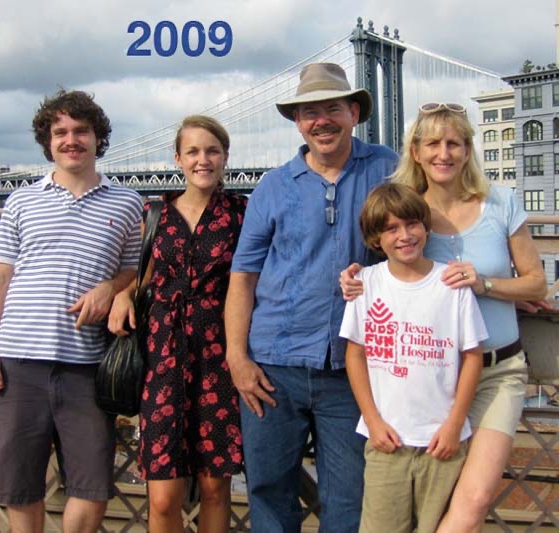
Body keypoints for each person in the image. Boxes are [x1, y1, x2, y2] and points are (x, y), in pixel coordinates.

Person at [341, 103, 547, 532]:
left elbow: (535, 284)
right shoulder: (407, 212)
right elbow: (380, 269)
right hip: (427, 382)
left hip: (494, 372)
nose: (444, 153)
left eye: (455, 143)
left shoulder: (501, 202)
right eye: (432, 142)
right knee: (425, 510)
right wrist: (351, 279)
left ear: (468, 149)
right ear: (415, 151)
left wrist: (486, 284)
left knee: (469, 505)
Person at [224, 62, 398, 532]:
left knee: (349, 498)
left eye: (332, 108)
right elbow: (243, 276)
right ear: (298, 122)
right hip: (273, 366)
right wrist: (237, 358)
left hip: (354, 367)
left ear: (354, 112)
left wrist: (495, 282)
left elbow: (432, 230)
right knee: (268, 490)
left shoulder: (389, 169)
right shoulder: (273, 186)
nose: (321, 120)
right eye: (308, 112)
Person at [0, 89, 143, 533]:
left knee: (91, 489)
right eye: (61, 132)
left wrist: (112, 288)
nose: (71, 140)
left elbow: (132, 270)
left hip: (87, 366)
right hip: (17, 362)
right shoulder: (21, 201)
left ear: (97, 138)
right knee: (18, 487)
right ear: (48, 141)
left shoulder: (127, 203)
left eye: (81, 131)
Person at [108, 115, 246, 533]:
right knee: (163, 497)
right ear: (178, 158)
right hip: (162, 359)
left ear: (224, 157)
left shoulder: (242, 212)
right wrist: (121, 293)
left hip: (220, 361)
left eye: (212, 151)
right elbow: (141, 273)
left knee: (214, 490)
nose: (202, 160)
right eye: (193, 151)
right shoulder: (155, 213)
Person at [340, 182, 486, 532]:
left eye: (411, 224)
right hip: (387, 441)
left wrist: (453, 425)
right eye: (391, 228)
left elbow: (473, 357)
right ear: (376, 238)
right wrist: (372, 422)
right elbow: (355, 357)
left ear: (426, 227)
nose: (404, 235)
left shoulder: (450, 284)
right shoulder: (366, 283)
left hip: (443, 443)